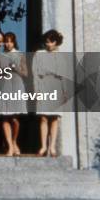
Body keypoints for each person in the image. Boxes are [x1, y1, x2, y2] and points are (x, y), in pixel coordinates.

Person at [32, 29, 68, 157]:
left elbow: (64, 76)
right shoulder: (39, 54)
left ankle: (52, 147)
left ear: (56, 42)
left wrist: (65, 92)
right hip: (44, 85)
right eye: (47, 42)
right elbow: (35, 73)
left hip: (56, 86)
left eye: (51, 42)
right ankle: (43, 146)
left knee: (54, 117)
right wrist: (36, 90)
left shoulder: (61, 56)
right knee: (43, 117)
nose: (49, 44)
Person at [0, 31, 28, 156]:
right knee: (5, 117)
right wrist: (2, 70)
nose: (8, 44)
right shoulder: (0, 55)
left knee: (14, 119)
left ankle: (14, 142)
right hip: (4, 86)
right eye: (6, 41)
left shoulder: (20, 55)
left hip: (16, 86)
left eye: (10, 41)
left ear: (14, 42)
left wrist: (16, 68)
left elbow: (26, 74)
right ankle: (9, 146)